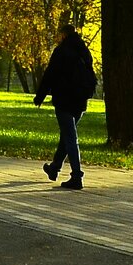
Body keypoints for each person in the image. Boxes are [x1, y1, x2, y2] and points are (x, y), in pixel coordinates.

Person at [34, 24, 96, 190]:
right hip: (80, 101)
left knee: (70, 138)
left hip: (64, 99)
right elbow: (91, 75)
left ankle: (76, 176)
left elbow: (50, 74)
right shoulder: (84, 50)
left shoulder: (61, 51)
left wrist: (40, 96)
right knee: (67, 135)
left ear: (63, 34)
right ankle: (54, 167)